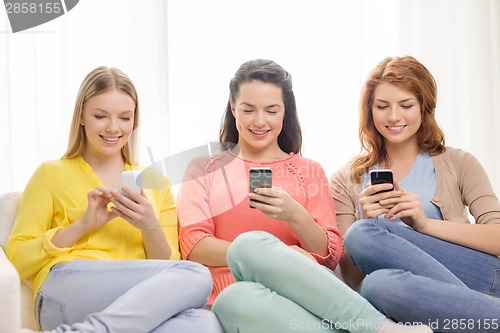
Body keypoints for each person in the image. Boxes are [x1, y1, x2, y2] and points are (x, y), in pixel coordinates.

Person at [177, 59, 432, 332]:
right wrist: (273, 254)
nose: (259, 121)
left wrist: (294, 214)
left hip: (303, 300)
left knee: (249, 251)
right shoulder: (204, 169)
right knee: (234, 293)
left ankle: (380, 328)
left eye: (271, 110)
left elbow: (329, 255)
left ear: (285, 111)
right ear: (233, 107)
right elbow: (194, 246)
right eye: (248, 110)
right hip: (234, 298)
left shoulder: (308, 171)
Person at [6, 66, 222, 333]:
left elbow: (167, 270)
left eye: (124, 118)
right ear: (82, 116)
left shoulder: (155, 181)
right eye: (100, 116)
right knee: (196, 275)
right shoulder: (50, 173)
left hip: (132, 302)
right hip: (64, 292)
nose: (113, 128)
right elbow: (16, 257)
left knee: (204, 323)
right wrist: (81, 226)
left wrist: (149, 225)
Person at [330, 56, 500, 332]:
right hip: (415, 298)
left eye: (406, 105)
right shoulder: (345, 179)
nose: (394, 116)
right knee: (376, 283)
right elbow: (348, 277)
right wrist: (365, 218)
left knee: (363, 236)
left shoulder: (459, 163)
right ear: (369, 111)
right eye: (382, 106)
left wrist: (423, 223)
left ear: (424, 107)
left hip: (482, 279)